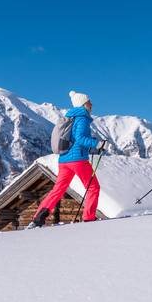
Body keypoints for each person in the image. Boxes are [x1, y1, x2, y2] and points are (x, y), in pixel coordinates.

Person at [28, 90, 108, 228]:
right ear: (83, 104)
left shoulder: (71, 118)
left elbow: (74, 139)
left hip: (64, 160)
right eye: (89, 102)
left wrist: (91, 144)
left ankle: (38, 218)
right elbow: (80, 138)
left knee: (58, 189)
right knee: (93, 187)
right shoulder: (82, 118)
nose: (91, 104)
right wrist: (97, 144)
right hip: (78, 160)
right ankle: (89, 218)